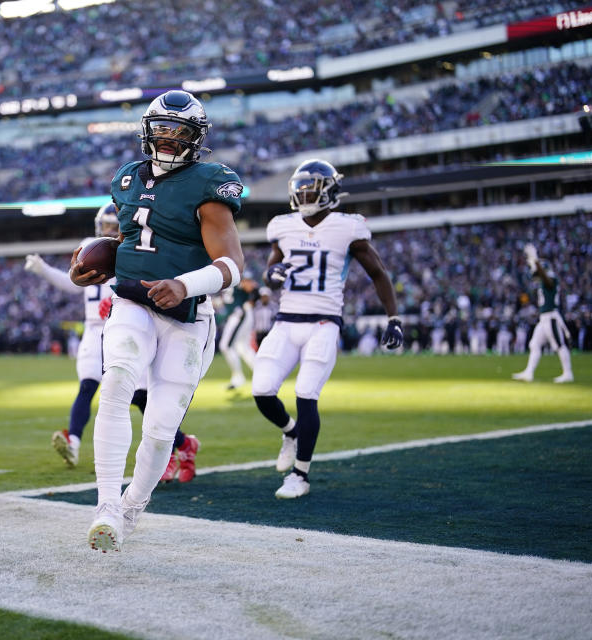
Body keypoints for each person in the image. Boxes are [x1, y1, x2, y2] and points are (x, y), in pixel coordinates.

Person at [69, 90, 245, 552]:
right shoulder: (126, 180)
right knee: (117, 384)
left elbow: (232, 266)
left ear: (197, 138)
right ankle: (106, 505)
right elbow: (128, 242)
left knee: (162, 426)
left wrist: (186, 284)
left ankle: (131, 508)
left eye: (179, 131)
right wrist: (86, 269)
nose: (169, 139)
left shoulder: (210, 183)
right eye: (162, 129)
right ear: (147, 132)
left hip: (186, 314)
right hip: (130, 301)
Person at [252, 159, 403, 499]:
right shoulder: (283, 225)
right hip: (286, 322)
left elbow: (378, 273)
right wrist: (270, 277)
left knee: (306, 393)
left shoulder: (348, 227)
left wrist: (393, 318)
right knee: (262, 390)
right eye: (301, 189)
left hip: (323, 323)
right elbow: (271, 270)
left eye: (312, 189)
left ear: (329, 191)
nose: (305, 195)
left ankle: (300, 475)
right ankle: (290, 432)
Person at [24, 203, 199, 472]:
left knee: (140, 396)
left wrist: (121, 301)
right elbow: (74, 283)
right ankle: (74, 442)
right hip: (95, 330)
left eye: (113, 225)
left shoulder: (133, 247)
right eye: (105, 225)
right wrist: (44, 270)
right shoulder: (89, 246)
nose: (108, 230)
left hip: (125, 323)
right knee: (88, 385)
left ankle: (178, 444)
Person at [512, 244, 574, 383]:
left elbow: (546, 279)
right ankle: (529, 372)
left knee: (559, 345)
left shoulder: (550, 279)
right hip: (543, 319)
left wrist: (536, 260)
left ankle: (568, 373)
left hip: (551, 317)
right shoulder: (544, 281)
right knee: (534, 344)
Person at [217, 273, 258, 389]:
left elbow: (252, 287)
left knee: (226, 346)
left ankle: (238, 377)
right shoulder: (223, 275)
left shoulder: (236, 275)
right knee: (243, 347)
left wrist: (250, 302)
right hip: (238, 314)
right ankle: (260, 374)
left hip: (239, 313)